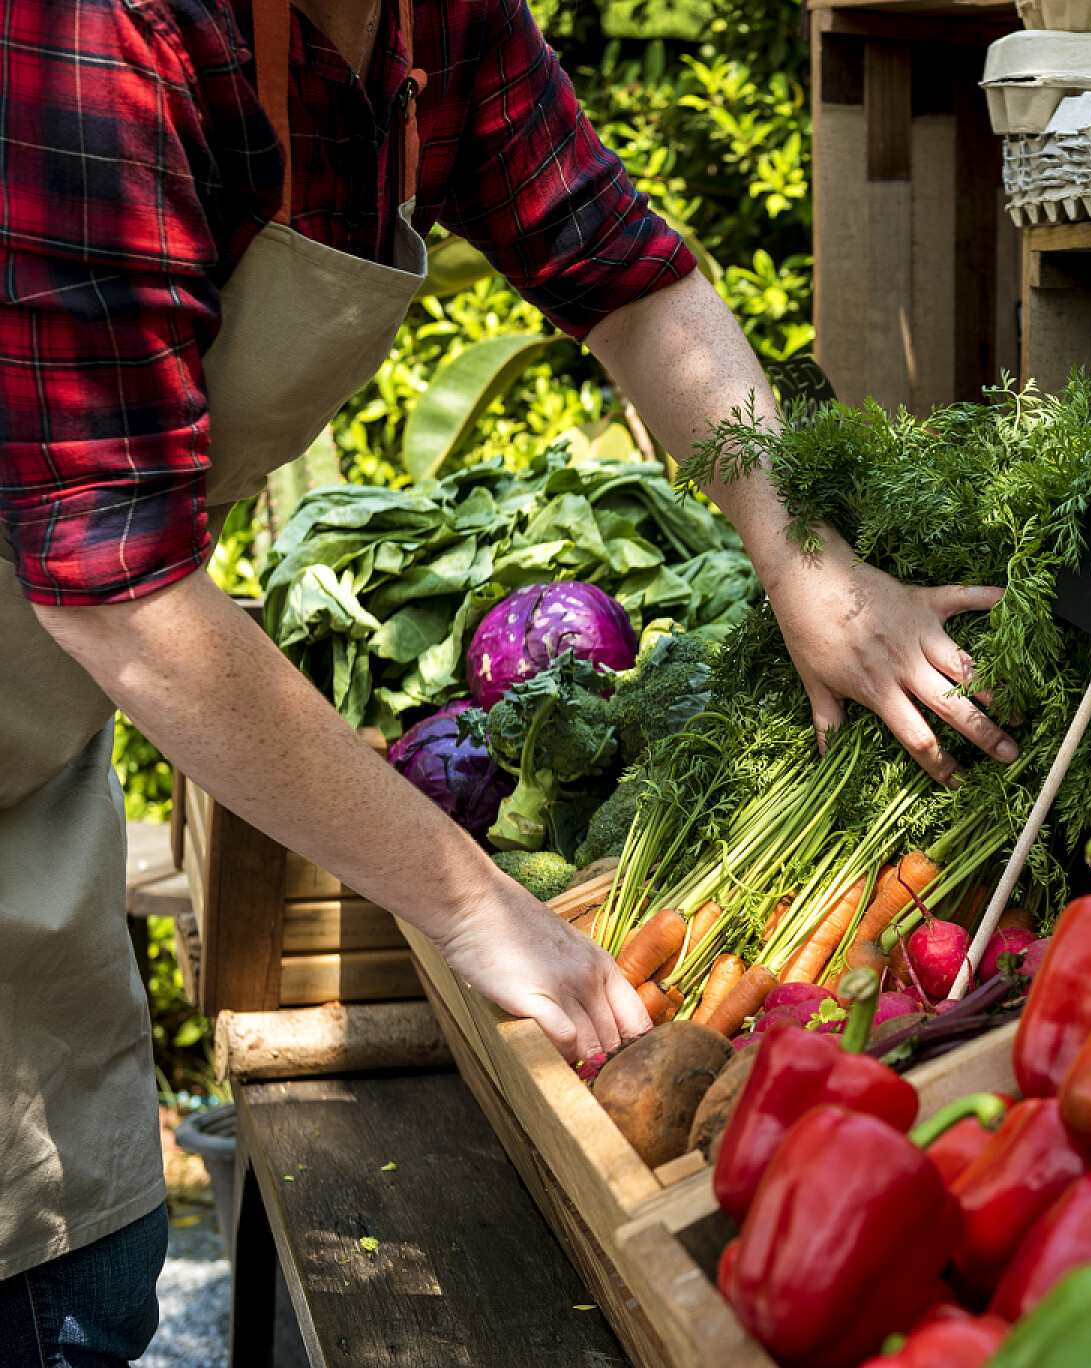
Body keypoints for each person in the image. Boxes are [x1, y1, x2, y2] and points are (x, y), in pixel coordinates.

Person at [0, 0, 1019, 1360]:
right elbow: (125, 595)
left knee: (87, 1276)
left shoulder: (439, 24)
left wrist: (801, 552)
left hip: (31, 732)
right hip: (74, 632)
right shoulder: (92, 39)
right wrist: (473, 904)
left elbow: (631, 280)